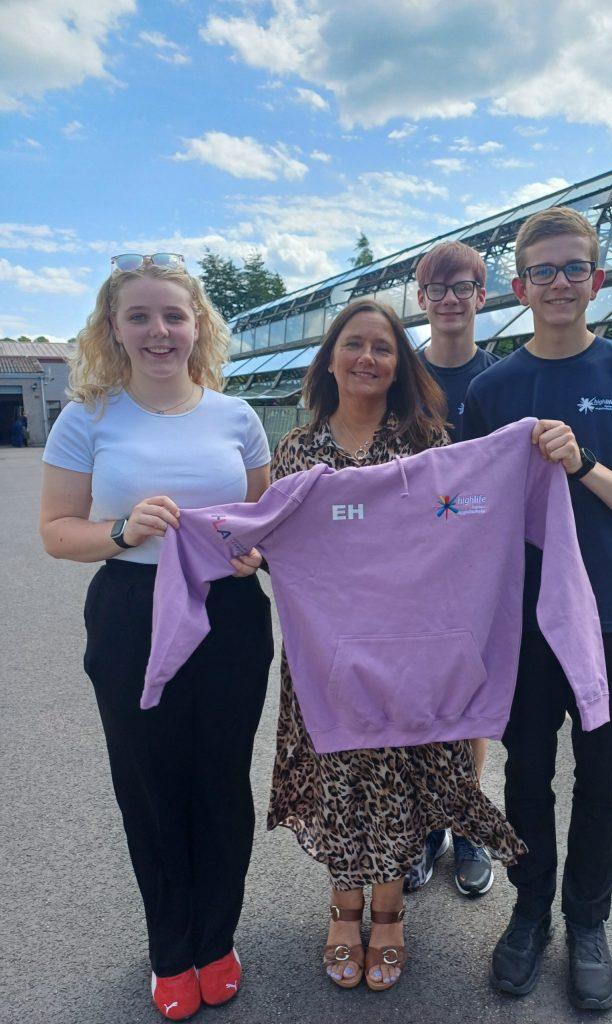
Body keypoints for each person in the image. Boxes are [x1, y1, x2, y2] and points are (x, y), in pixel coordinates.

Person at [463, 207, 612, 1011]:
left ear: (597, 280)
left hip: (611, 616)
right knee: (527, 773)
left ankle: (587, 922)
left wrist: (584, 462)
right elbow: (464, 513)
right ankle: (529, 912)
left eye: (574, 269)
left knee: (603, 779)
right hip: (521, 620)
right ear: (519, 288)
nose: (559, 284)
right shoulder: (493, 390)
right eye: (543, 272)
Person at [264, 298, 526, 992]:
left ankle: (388, 916)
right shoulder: (295, 450)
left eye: (383, 348)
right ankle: (341, 912)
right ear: (330, 359)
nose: (368, 359)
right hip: (327, 655)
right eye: (354, 345)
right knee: (341, 781)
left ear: (399, 364)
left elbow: (458, 525)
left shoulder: (428, 444)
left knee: (398, 780)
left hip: (408, 653)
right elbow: (275, 542)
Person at [39, 253, 274, 1022]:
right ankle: (170, 948)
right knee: (150, 783)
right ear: (113, 328)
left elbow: (268, 527)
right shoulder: (89, 417)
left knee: (220, 781)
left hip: (228, 613)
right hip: (131, 610)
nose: (159, 330)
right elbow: (56, 533)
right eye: (139, 316)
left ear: (197, 324)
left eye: (173, 315)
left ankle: (217, 939)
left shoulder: (236, 418)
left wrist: (254, 554)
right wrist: (119, 528)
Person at [406, 240, 500, 898]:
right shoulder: (398, 379)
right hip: (410, 572)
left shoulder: (502, 381)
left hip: (477, 572)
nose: (448, 300)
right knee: (415, 705)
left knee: (467, 708)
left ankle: (467, 827)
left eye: (461, 287)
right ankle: (424, 829)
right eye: (437, 289)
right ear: (421, 300)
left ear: (481, 297)